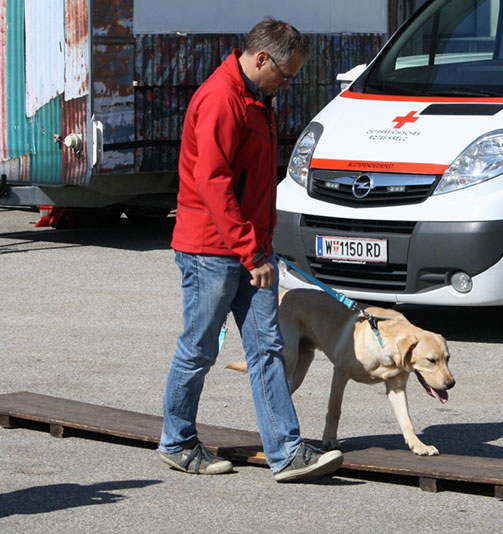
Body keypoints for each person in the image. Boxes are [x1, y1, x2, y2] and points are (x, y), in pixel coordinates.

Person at [157, 17, 343, 482]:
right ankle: (177, 441)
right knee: (199, 348)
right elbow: (214, 182)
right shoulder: (223, 98)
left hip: (250, 250)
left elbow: (253, 184)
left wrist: (261, 247)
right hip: (211, 251)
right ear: (262, 58)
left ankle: (286, 451)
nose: (287, 83)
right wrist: (251, 252)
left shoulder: (258, 96)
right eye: (285, 74)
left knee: (268, 349)